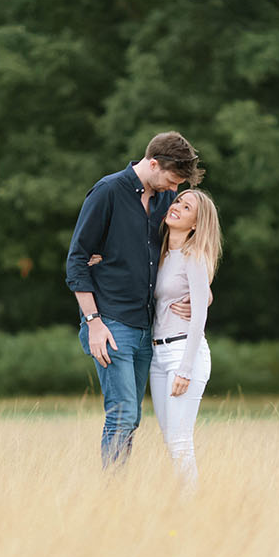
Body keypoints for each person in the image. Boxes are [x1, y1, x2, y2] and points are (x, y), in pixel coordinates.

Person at [66, 132, 204, 469]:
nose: (174, 189)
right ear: (153, 163)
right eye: (172, 179)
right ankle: (113, 497)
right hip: (110, 322)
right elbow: (76, 260)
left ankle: (121, 494)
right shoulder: (108, 192)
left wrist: (202, 295)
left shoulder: (162, 202)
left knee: (133, 417)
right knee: (122, 413)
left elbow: (186, 251)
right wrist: (93, 322)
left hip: (147, 328)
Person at [150, 189, 221, 491]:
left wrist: (186, 369)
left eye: (186, 206)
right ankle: (183, 502)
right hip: (157, 354)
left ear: (195, 223)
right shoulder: (160, 252)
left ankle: (191, 509)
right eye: (178, 200)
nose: (176, 206)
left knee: (180, 441)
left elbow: (199, 318)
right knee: (169, 439)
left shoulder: (194, 256)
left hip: (183, 353)